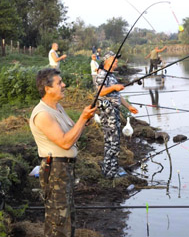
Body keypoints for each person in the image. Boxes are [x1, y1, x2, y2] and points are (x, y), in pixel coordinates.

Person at [29, 68, 96, 237]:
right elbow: (65, 142)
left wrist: (85, 121)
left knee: (68, 217)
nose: (64, 85)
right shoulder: (43, 114)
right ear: (47, 88)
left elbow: (72, 133)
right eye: (59, 83)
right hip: (55, 169)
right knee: (57, 221)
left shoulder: (57, 107)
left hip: (65, 169)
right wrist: (82, 118)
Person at [96, 51, 138, 179]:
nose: (116, 62)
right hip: (108, 111)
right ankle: (110, 173)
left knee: (113, 141)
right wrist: (114, 87)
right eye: (114, 60)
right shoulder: (102, 74)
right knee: (112, 142)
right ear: (107, 61)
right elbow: (100, 92)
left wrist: (128, 106)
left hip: (113, 110)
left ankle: (111, 169)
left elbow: (117, 95)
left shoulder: (110, 75)